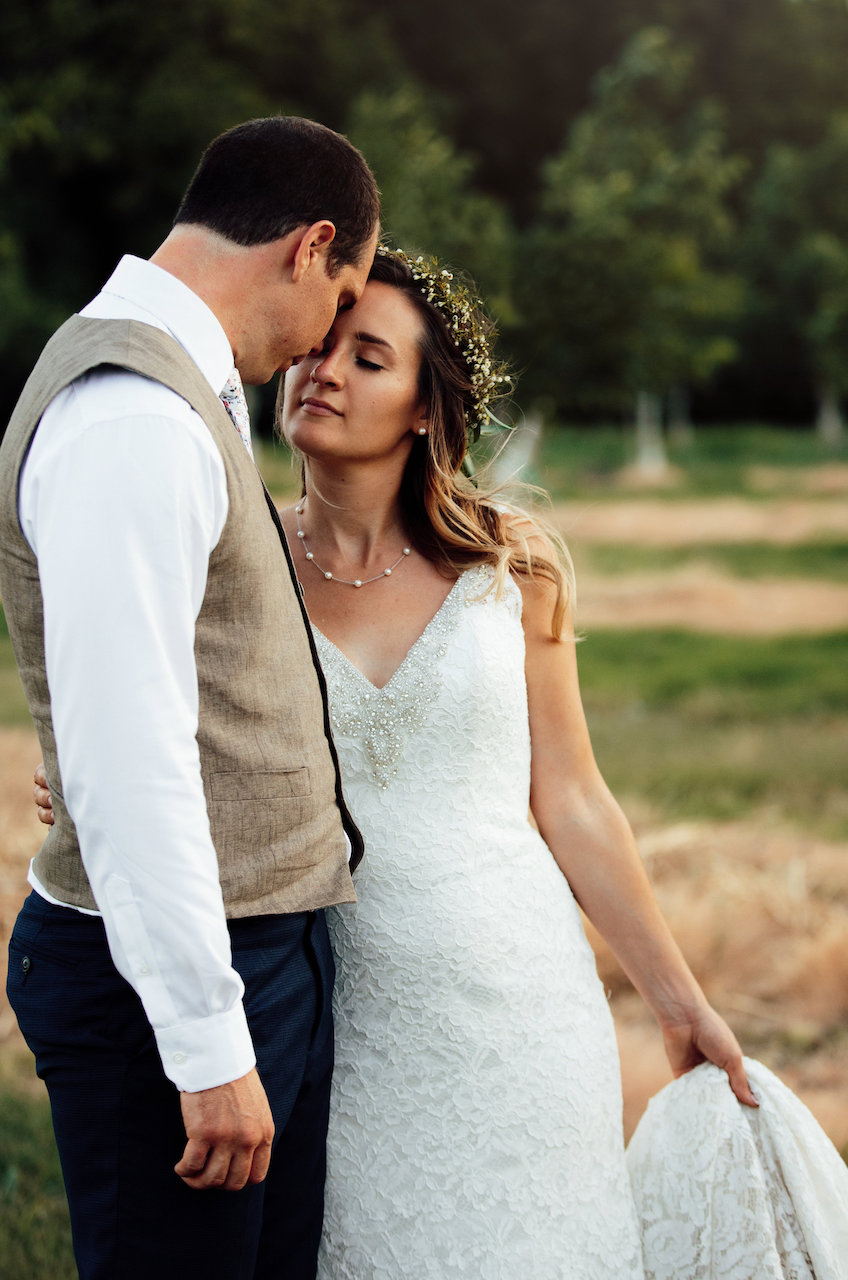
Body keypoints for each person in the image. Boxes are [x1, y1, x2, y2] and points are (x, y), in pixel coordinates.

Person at [276, 245, 756, 1277]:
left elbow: (573, 799)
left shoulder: (511, 565)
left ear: (419, 406)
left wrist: (676, 1000)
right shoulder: (235, 567)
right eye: (316, 345)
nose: (323, 369)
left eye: (366, 357)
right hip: (344, 1023)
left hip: (524, 1005)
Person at [0, 116, 379, 1280]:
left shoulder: (182, 391)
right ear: (310, 248)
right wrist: (207, 1045)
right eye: (346, 291)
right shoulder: (134, 415)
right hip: (175, 979)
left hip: (248, 948)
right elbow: (130, 763)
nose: (332, 334)